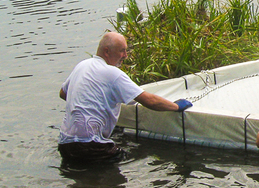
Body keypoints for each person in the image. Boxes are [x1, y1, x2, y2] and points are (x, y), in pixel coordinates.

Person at [58, 31, 193, 161]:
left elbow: (63, 93)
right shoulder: (113, 74)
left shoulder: (82, 65)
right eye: (122, 51)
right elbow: (150, 101)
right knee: (133, 160)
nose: (126, 56)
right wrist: (176, 106)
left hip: (65, 144)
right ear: (107, 51)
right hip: (91, 146)